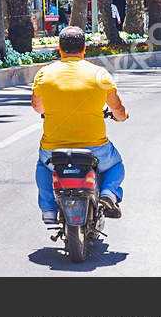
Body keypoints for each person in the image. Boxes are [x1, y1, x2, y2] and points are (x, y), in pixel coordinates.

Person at [31, 25, 128, 226]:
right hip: (94, 149)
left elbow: (37, 107)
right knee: (116, 165)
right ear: (84, 49)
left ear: (60, 48)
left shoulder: (44, 74)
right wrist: (122, 116)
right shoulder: (100, 75)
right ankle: (109, 193)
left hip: (54, 149)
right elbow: (117, 109)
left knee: (44, 166)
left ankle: (49, 209)